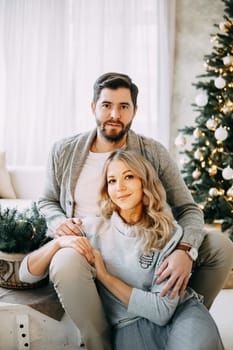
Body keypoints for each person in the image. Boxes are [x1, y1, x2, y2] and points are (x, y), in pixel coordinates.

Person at [26, 72, 232, 346]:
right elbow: (47, 200)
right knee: (65, 262)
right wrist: (58, 224)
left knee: (220, 245)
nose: (114, 113)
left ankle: (179, 319)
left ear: (135, 111)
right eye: (106, 105)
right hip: (90, 247)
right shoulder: (64, 151)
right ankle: (100, 341)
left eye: (124, 106)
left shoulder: (153, 153)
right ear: (93, 108)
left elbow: (188, 209)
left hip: (142, 248)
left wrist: (185, 250)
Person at [20, 150, 225, 350]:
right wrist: (58, 243)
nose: (120, 187)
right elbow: (25, 275)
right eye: (112, 181)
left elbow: (162, 311)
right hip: (127, 325)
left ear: (144, 182)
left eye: (128, 177)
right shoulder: (91, 229)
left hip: (181, 315)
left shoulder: (168, 233)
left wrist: (105, 276)